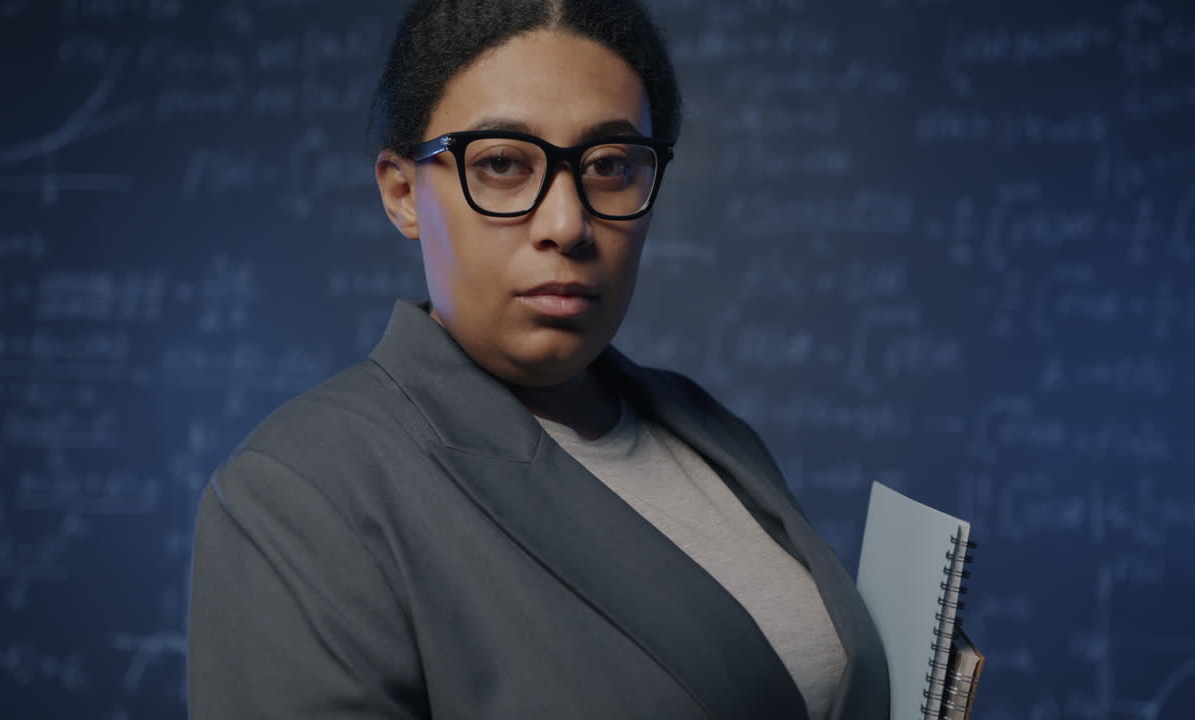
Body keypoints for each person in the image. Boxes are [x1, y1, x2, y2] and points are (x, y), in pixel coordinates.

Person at [186, 1, 890, 718]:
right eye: (500, 164)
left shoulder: (704, 427)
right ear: (402, 193)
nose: (567, 224)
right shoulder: (299, 495)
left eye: (611, 165)